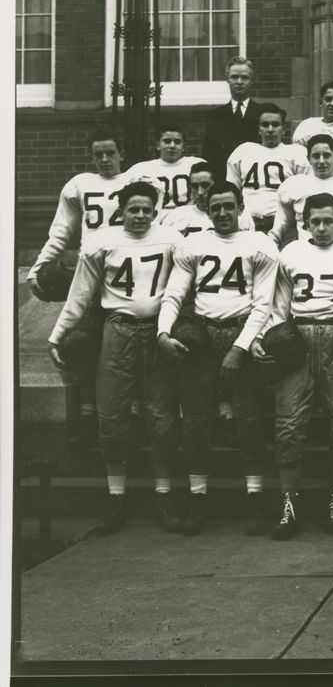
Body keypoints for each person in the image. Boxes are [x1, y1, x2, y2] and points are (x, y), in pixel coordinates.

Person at [47, 180, 182, 534]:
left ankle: (164, 497)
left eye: (146, 210)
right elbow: (81, 293)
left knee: (161, 416)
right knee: (112, 415)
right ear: (120, 210)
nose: (139, 215)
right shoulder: (100, 241)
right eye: (132, 209)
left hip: (156, 331)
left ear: (155, 211)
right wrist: (58, 334)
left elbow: (185, 287)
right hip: (117, 329)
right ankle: (116, 498)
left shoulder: (171, 239)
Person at [157, 181, 279, 536]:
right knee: (195, 420)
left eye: (229, 206)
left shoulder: (259, 244)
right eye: (216, 207)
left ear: (241, 207)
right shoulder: (193, 244)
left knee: (250, 420)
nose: (223, 213)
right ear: (207, 209)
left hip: (241, 330)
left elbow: (263, 303)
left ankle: (254, 499)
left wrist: (239, 348)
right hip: (202, 334)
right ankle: (198, 498)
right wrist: (163, 332)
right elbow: (174, 294)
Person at [252, 193, 333, 539]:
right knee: (288, 424)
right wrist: (265, 337)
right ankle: (289, 507)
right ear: (305, 223)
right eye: (315, 221)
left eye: (328, 221)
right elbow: (279, 304)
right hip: (297, 340)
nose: (321, 228)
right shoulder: (292, 253)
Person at [28, 127, 130, 443]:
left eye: (109, 153)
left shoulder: (138, 182)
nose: (104, 159)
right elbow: (60, 231)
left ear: (121, 154)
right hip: (91, 273)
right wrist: (37, 267)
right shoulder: (80, 185)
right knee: (84, 341)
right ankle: (87, 411)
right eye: (97, 154)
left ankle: (128, 413)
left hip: (129, 274)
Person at [269, 134, 333, 248]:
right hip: (304, 255)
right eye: (316, 156)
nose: (321, 161)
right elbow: (281, 226)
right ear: (308, 159)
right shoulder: (292, 186)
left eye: (327, 155)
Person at [226, 104, 308, 232]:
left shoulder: (297, 154)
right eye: (265, 125)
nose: (270, 129)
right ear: (259, 129)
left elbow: (305, 192)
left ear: (284, 129)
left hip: (284, 224)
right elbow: (231, 191)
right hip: (248, 223)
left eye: (275, 125)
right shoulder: (243, 151)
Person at [201, 56, 266, 178]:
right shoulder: (214, 116)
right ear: (227, 79)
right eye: (234, 77)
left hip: (256, 179)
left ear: (252, 80)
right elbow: (209, 155)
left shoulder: (262, 113)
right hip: (224, 180)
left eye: (244, 77)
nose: (239, 82)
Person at [160, 162, 256, 237]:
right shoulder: (175, 216)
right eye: (194, 186)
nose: (200, 192)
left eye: (205, 185)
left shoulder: (241, 215)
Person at [124, 124, 206, 210]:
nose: (172, 146)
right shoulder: (141, 168)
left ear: (184, 146)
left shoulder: (196, 163)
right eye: (167, 141)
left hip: (189, 217)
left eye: (177, 142)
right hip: (154, 218)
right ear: (158, 145)